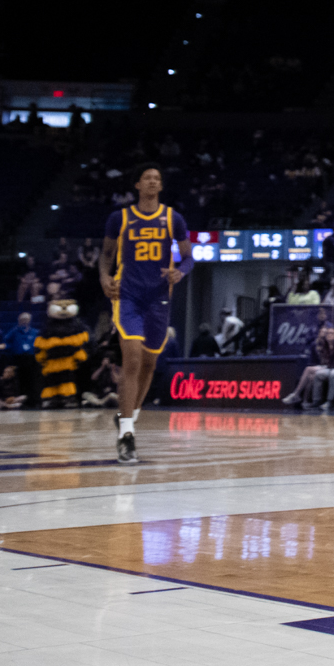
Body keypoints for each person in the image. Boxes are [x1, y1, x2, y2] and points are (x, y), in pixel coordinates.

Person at [98, 164, 193, 464]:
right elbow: (106, 256)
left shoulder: (172, 218)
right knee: (132, 360)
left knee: (150, 364)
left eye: (157, 179)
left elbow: (189, 258)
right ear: (137, 185)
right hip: (127, 296)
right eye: (147, 178)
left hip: (158, 299)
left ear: (160, 186)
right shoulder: (120, 218)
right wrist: (103, 278)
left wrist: (180, 271)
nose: (153, 182)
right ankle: (126, 436)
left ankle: (128, 416)